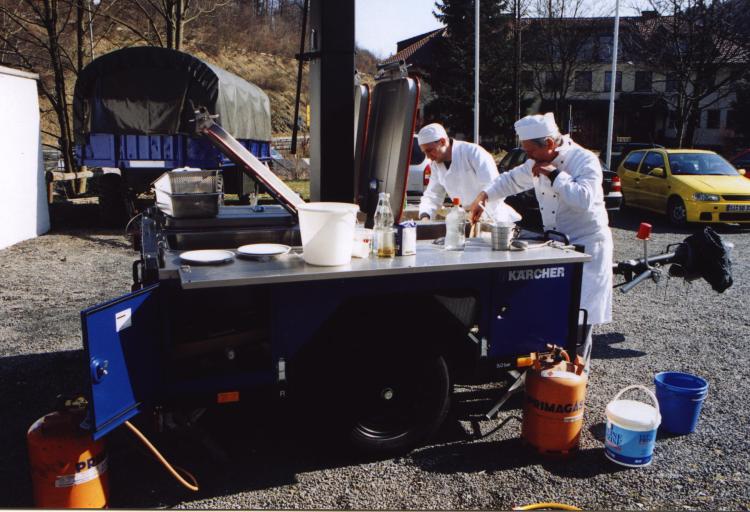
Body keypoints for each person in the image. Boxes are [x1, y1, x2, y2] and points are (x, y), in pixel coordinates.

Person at [468, 113, 613, 366]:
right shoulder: (537, 159)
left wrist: (555, 175)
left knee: (579, 316)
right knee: (554, 308)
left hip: (588, 246)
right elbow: (510, 180)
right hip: (558, 243)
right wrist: (484, 195)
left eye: (531, 150)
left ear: (549, 143)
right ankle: (549, 367)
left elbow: (584, 199)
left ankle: (575, 378)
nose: (528, 156)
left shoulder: (584, 160)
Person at [416, 123, 520, 223]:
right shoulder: (436, 165)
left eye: (429, 150)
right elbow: (433, 195)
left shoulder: (473, 152)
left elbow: (495, 187)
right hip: (468, 218)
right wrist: (425, 216)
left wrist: (480, 208)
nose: (428, 157)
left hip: (492, 218)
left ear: (442, 141)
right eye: (424, 152)